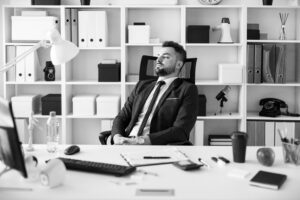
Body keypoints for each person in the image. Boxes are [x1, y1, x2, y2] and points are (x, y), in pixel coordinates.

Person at [111, 41, 198, 145]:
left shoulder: (187, 89)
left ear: (179, 64)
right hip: (126, 142)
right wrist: (117, 137)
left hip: (157, 145)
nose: (158, 60)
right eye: (158, 56)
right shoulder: (142, 85)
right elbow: (121, 117)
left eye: (165, 57)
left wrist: (142, 141)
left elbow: (180, 131)